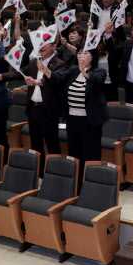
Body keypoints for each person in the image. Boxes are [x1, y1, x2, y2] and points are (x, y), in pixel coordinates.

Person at [0, 38, 68, 162]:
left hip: (48, 111)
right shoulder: (34, 62)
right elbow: (18, 73)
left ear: (54, 46)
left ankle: (56, 174)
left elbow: (56, 79)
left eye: (45, 44)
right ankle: (39, 176)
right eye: (40, 43)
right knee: (36, 145)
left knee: (52, 145)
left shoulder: (60, 64)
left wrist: (37, 82)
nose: (41, 46)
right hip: (33, 109)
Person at [40, 48, 107, 179]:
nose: (81, 56)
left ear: (92, 56)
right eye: (79, 53)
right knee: (74, 154)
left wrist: (84, 70)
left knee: (90, 155)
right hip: (72, 120)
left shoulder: (99, 71)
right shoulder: (73, 70)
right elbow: (59, 78)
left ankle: (91, 183)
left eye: (85, 53)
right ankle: (76, 184)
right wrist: (46, 71)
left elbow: (97, 79)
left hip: (90, 122)